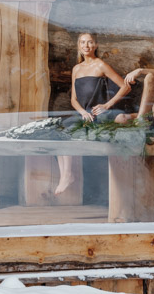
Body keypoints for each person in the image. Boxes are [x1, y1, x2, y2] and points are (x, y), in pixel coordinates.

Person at [56, 32, 132, 195]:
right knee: (59, 131)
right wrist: (82, 112)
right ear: (79, 46)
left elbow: (125, 86)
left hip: (99, 114)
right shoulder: (76, 69)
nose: (86, 46)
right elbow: (74, 100)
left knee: (72, 132)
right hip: (84, 114)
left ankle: (67, 175)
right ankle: (65, 175)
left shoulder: (100, 65)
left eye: (90, 42)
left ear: (96, 45)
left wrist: (107, 104)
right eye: (82, 42)